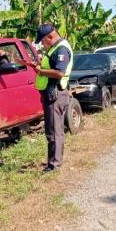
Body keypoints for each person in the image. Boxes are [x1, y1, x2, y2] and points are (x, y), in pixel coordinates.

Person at [23, 24, 73, 172]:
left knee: (54, 131)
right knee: (53, 129)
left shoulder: (61, 49)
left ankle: (54, 165)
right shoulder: (54, 48)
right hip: (52, 93)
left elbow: (59, 73)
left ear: (50, 37)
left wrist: (41, 71)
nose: (43, 44)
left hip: (56, 94)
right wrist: (36, 66)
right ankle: (54, 162)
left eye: (43, 41)